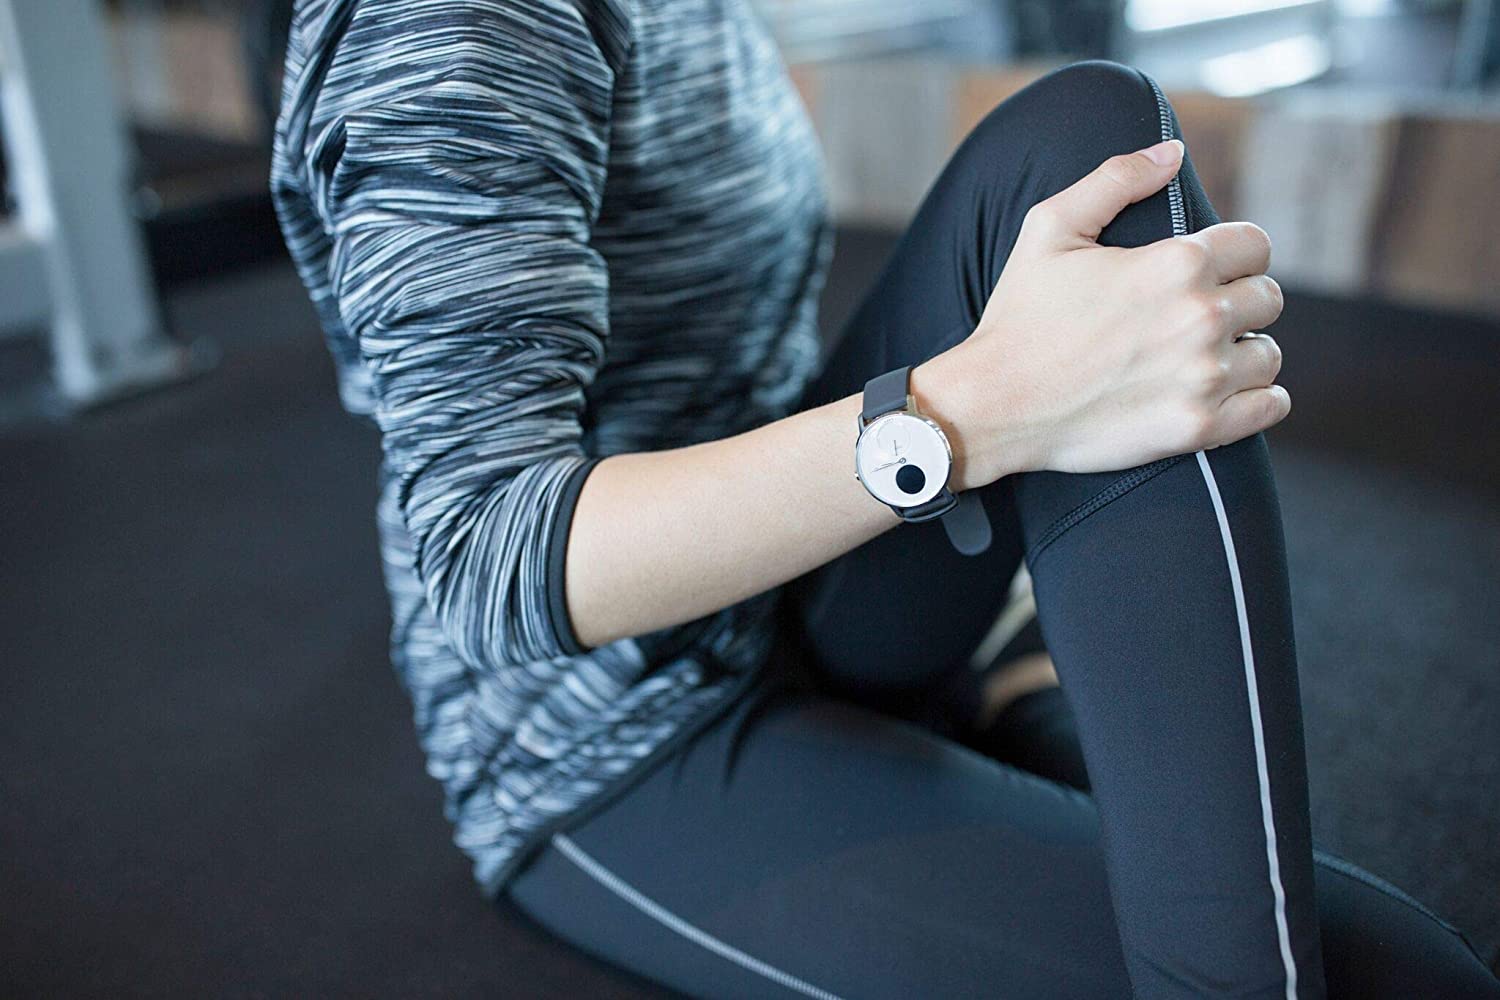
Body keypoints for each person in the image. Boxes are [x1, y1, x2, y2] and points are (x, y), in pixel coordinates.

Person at [269, 0, 1500, 995]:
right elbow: (486, 559)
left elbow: (738, 365)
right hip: (611, 729)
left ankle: (999, 694)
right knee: (1416, 983)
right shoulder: (452, 21)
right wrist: (979, 414)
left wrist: (1005, 607)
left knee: (1092, 136)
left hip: (802, 586)